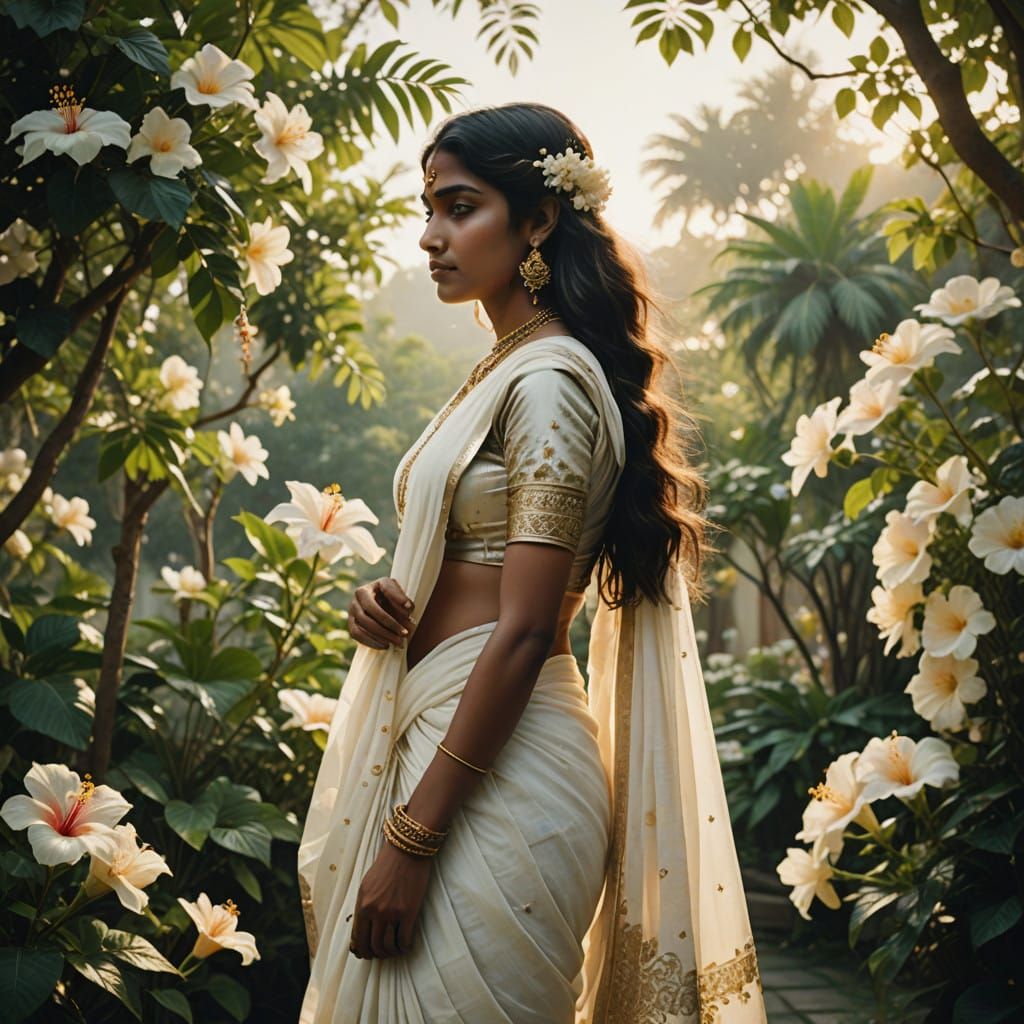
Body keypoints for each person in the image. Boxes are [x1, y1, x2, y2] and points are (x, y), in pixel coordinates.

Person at [297, 102, 767, 1023]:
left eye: (460, 207)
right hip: (451, 741)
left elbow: (522, 629)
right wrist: (387, 601)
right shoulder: (507, 367)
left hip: (498, 776)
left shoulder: (548, 379)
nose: (431, 237)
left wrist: (413, 838)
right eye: (429, 209)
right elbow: (470, 564)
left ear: (540, 218)